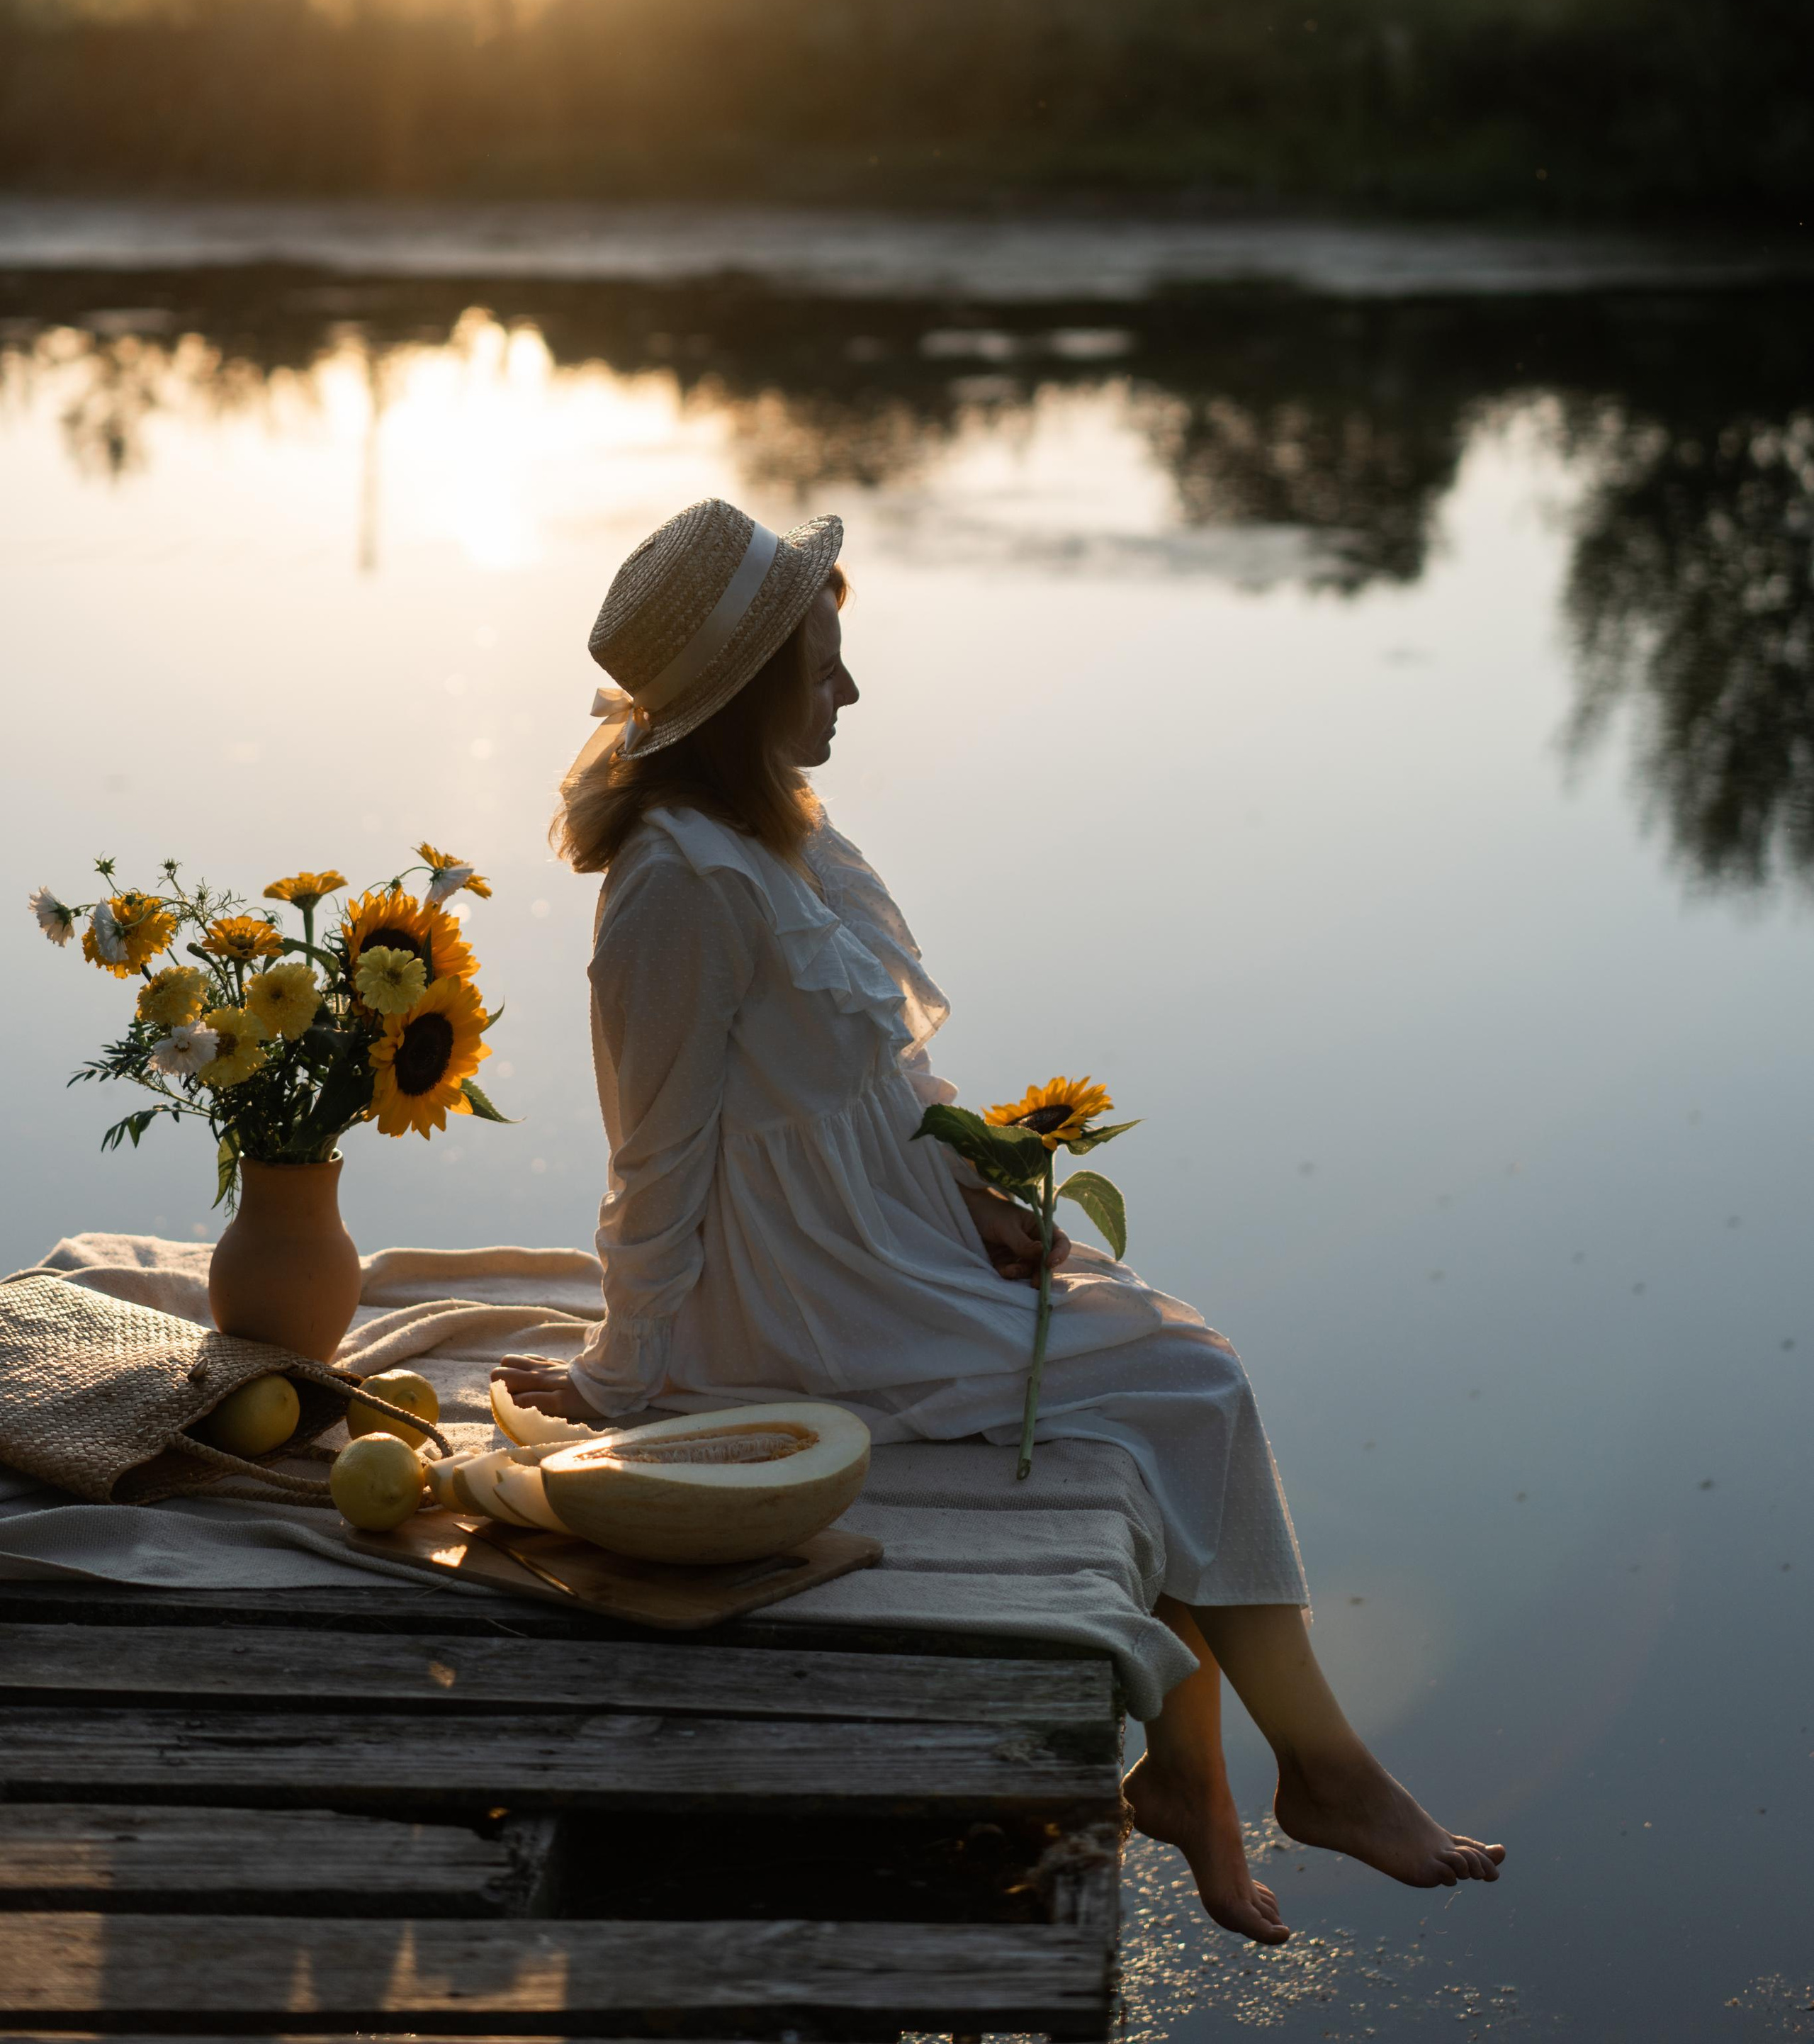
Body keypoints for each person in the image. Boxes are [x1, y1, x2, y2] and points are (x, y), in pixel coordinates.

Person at [498, 498, 1504, 1945]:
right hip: (788, 1296)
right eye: (820, 666)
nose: (848, 689)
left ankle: (1197, 1777)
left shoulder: (781, 831)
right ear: (739, 696)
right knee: (1184, 1380)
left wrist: (971, 1191)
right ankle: (1315, 1776)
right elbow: (648, 1160)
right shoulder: (674, 888)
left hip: (883, 1232)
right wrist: (618, 1378)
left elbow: (885, 1069)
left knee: (1154, 1376)